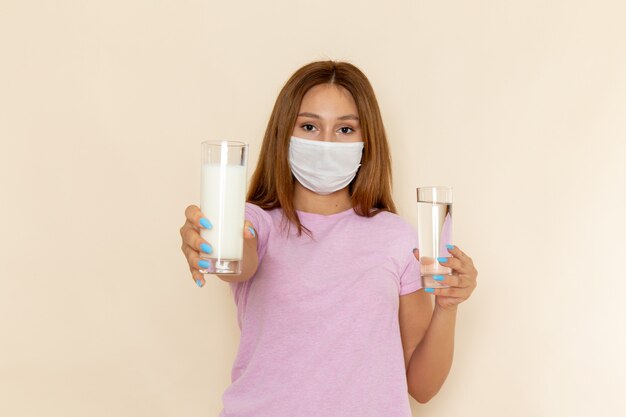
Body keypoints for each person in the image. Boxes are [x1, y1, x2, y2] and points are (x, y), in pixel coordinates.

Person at [179, 60, 478, 417]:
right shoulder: (257, 223)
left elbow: (422, 388)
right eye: (309, 126)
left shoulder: (397, 238)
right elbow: (236, 260)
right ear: (283, 136)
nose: (326, 143)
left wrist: (447, 307)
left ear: (366, 142)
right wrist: (210, 240)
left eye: (345, 130)